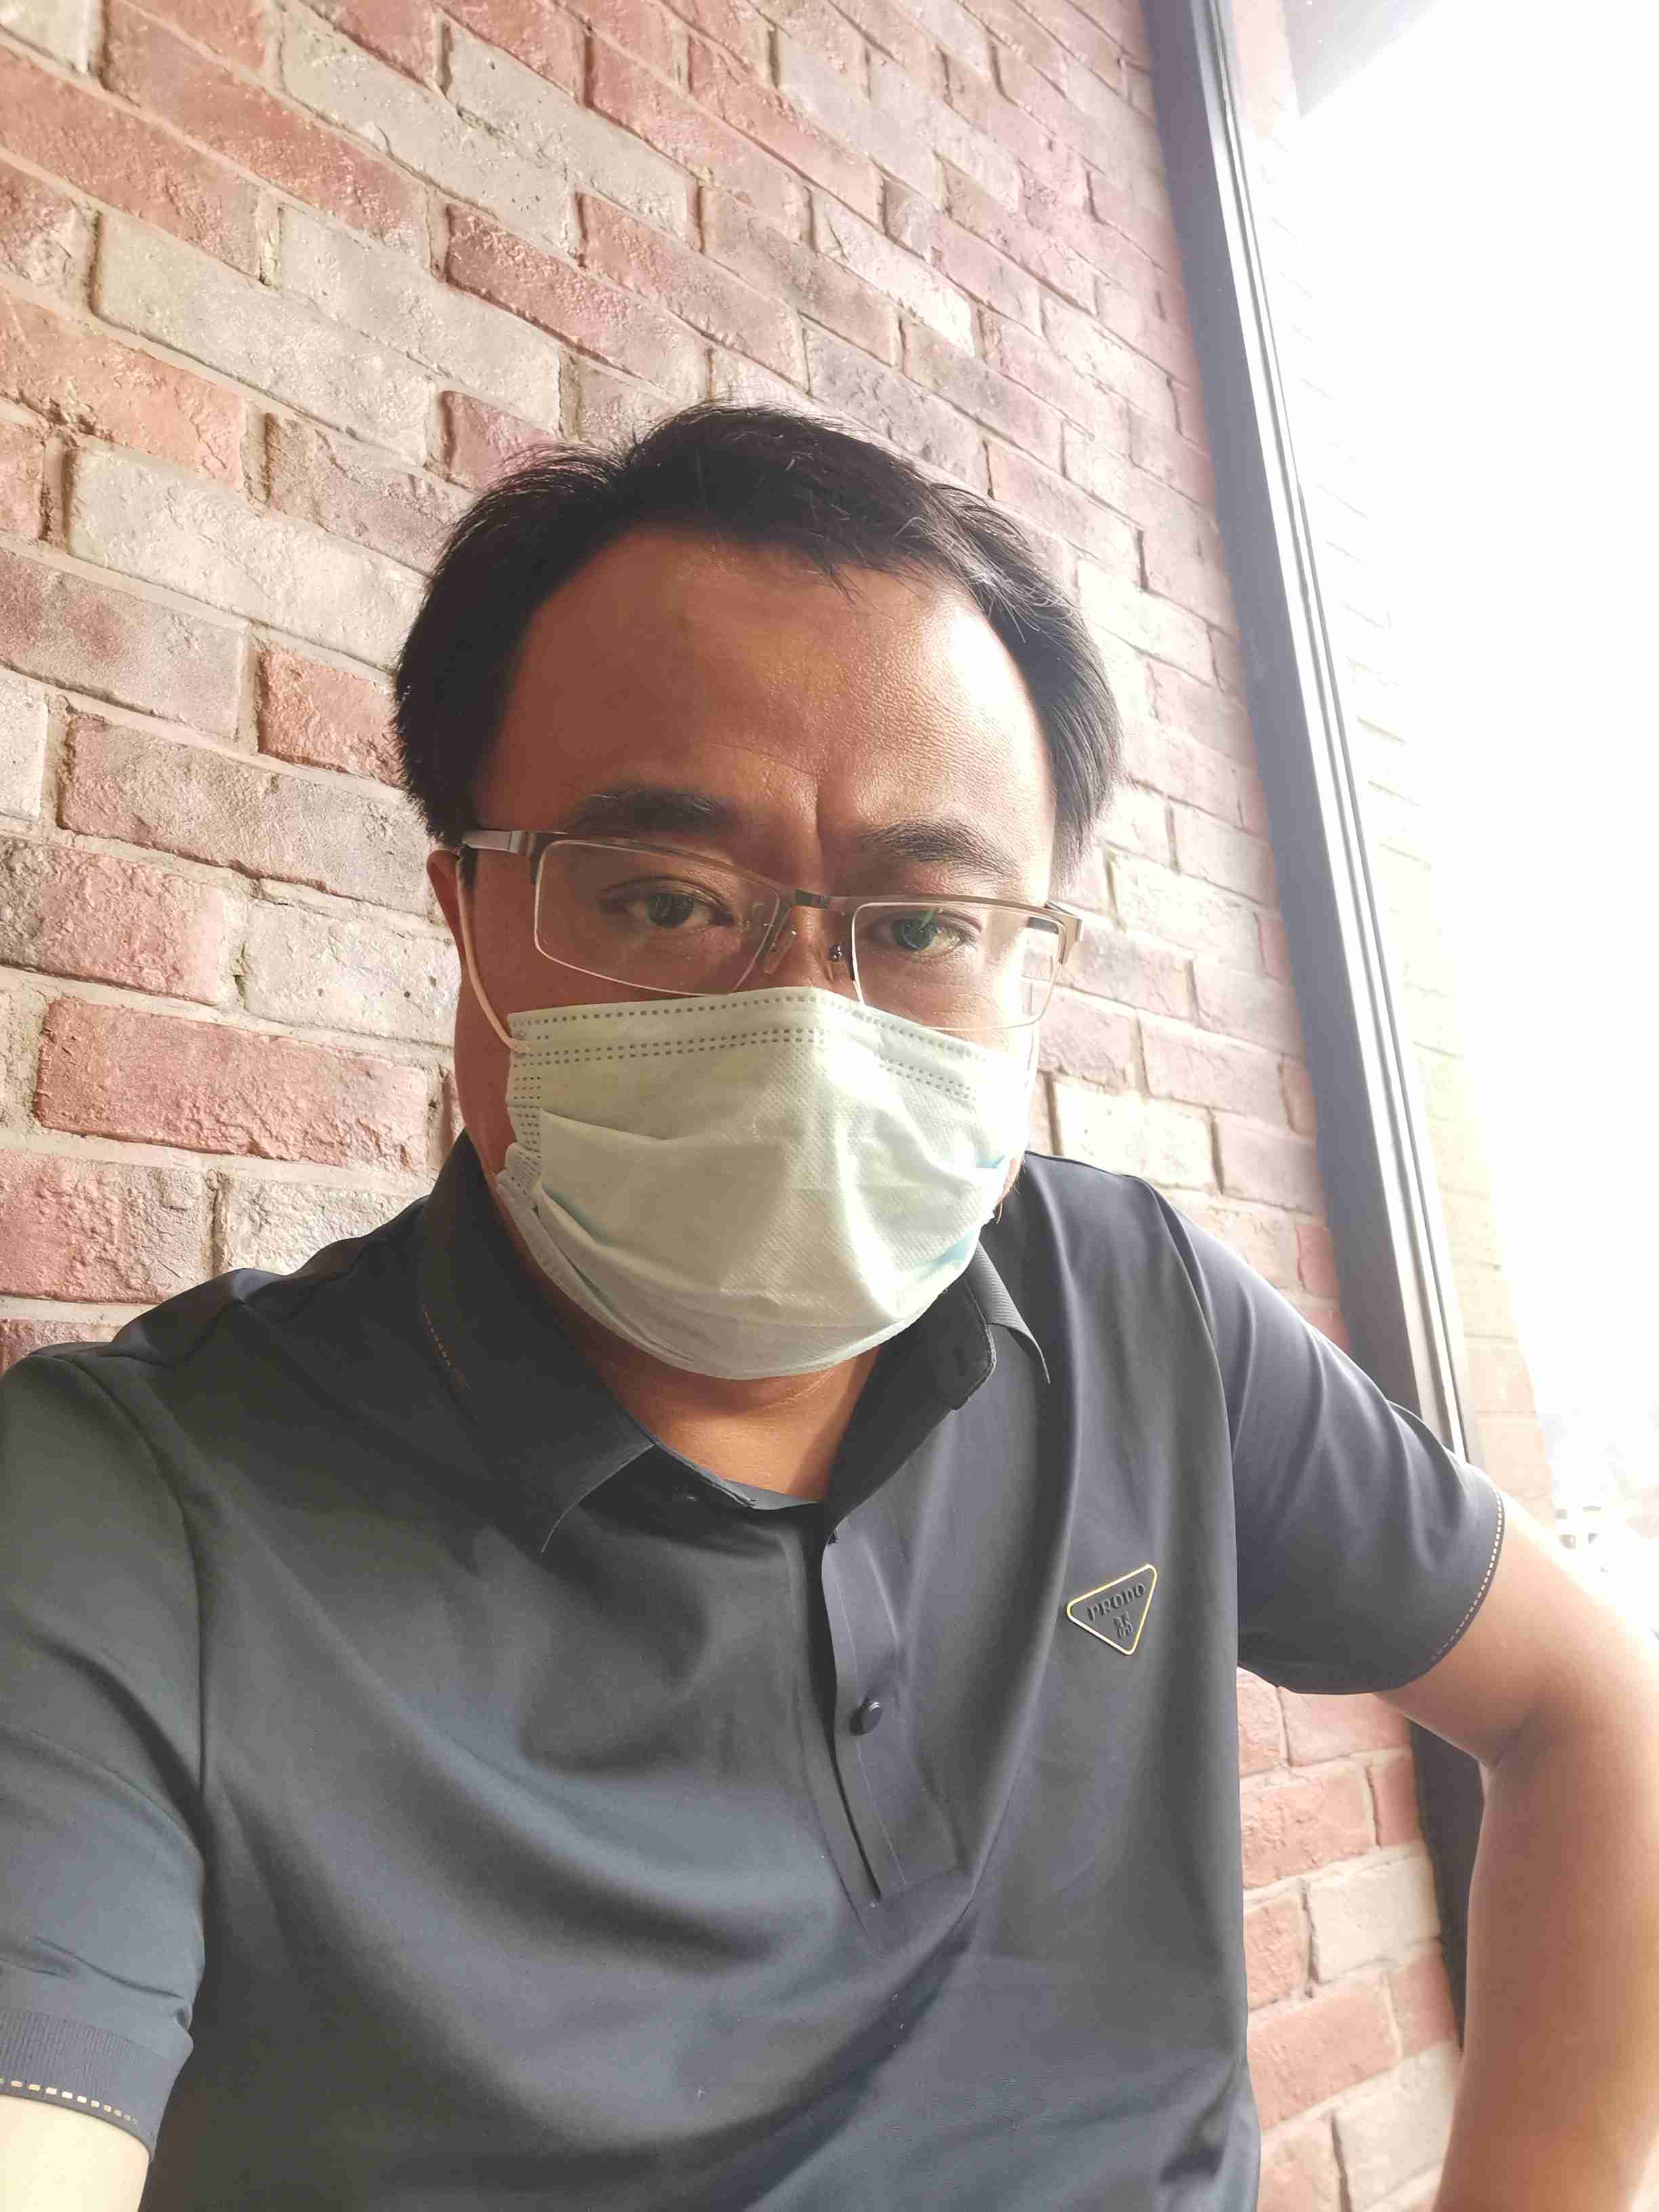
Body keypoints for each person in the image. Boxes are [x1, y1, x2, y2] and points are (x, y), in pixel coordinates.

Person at [1, 404, 1655, 2212]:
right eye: (666, 901)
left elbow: (1597, 1714)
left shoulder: (1130, 1304)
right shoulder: (125, 1516)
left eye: (924, 928)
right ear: (467, 911)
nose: (803, 1018)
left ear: (1027, 967)